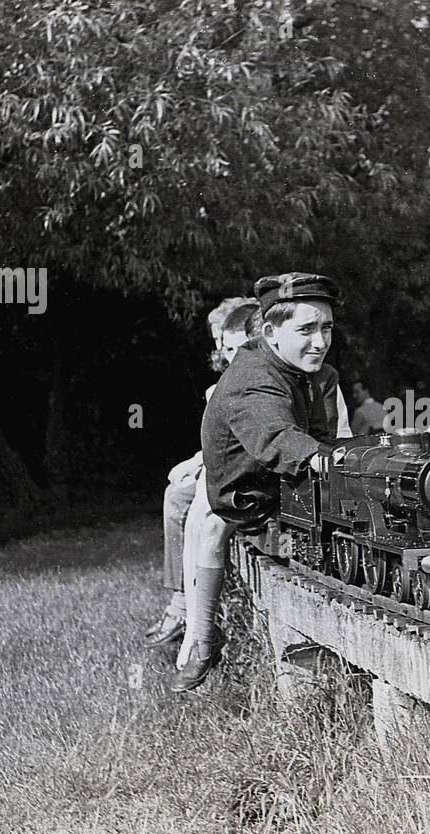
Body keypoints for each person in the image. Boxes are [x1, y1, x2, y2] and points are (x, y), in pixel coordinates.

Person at [172, 272, 342, 691]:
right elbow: (277, 438)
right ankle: (202, 638)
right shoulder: (253, 379)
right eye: (306, 329)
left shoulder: (308, 371)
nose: (320, 341)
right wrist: (324, 461)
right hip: (252, 502)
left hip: (290, 490)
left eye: (327, 328)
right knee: (204, 523)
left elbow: (322, 435)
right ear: (270, 332)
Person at [142, 299, 253, 647]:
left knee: (183, 501)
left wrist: (200, 466)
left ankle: (185, 611)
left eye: (229, 344)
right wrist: (195, 462)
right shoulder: (225, 384)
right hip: (231, 468)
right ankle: (186, 610)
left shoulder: (250, 381)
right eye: (219, 344)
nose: (222, 353)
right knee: (180, 490)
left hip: (247, 479)